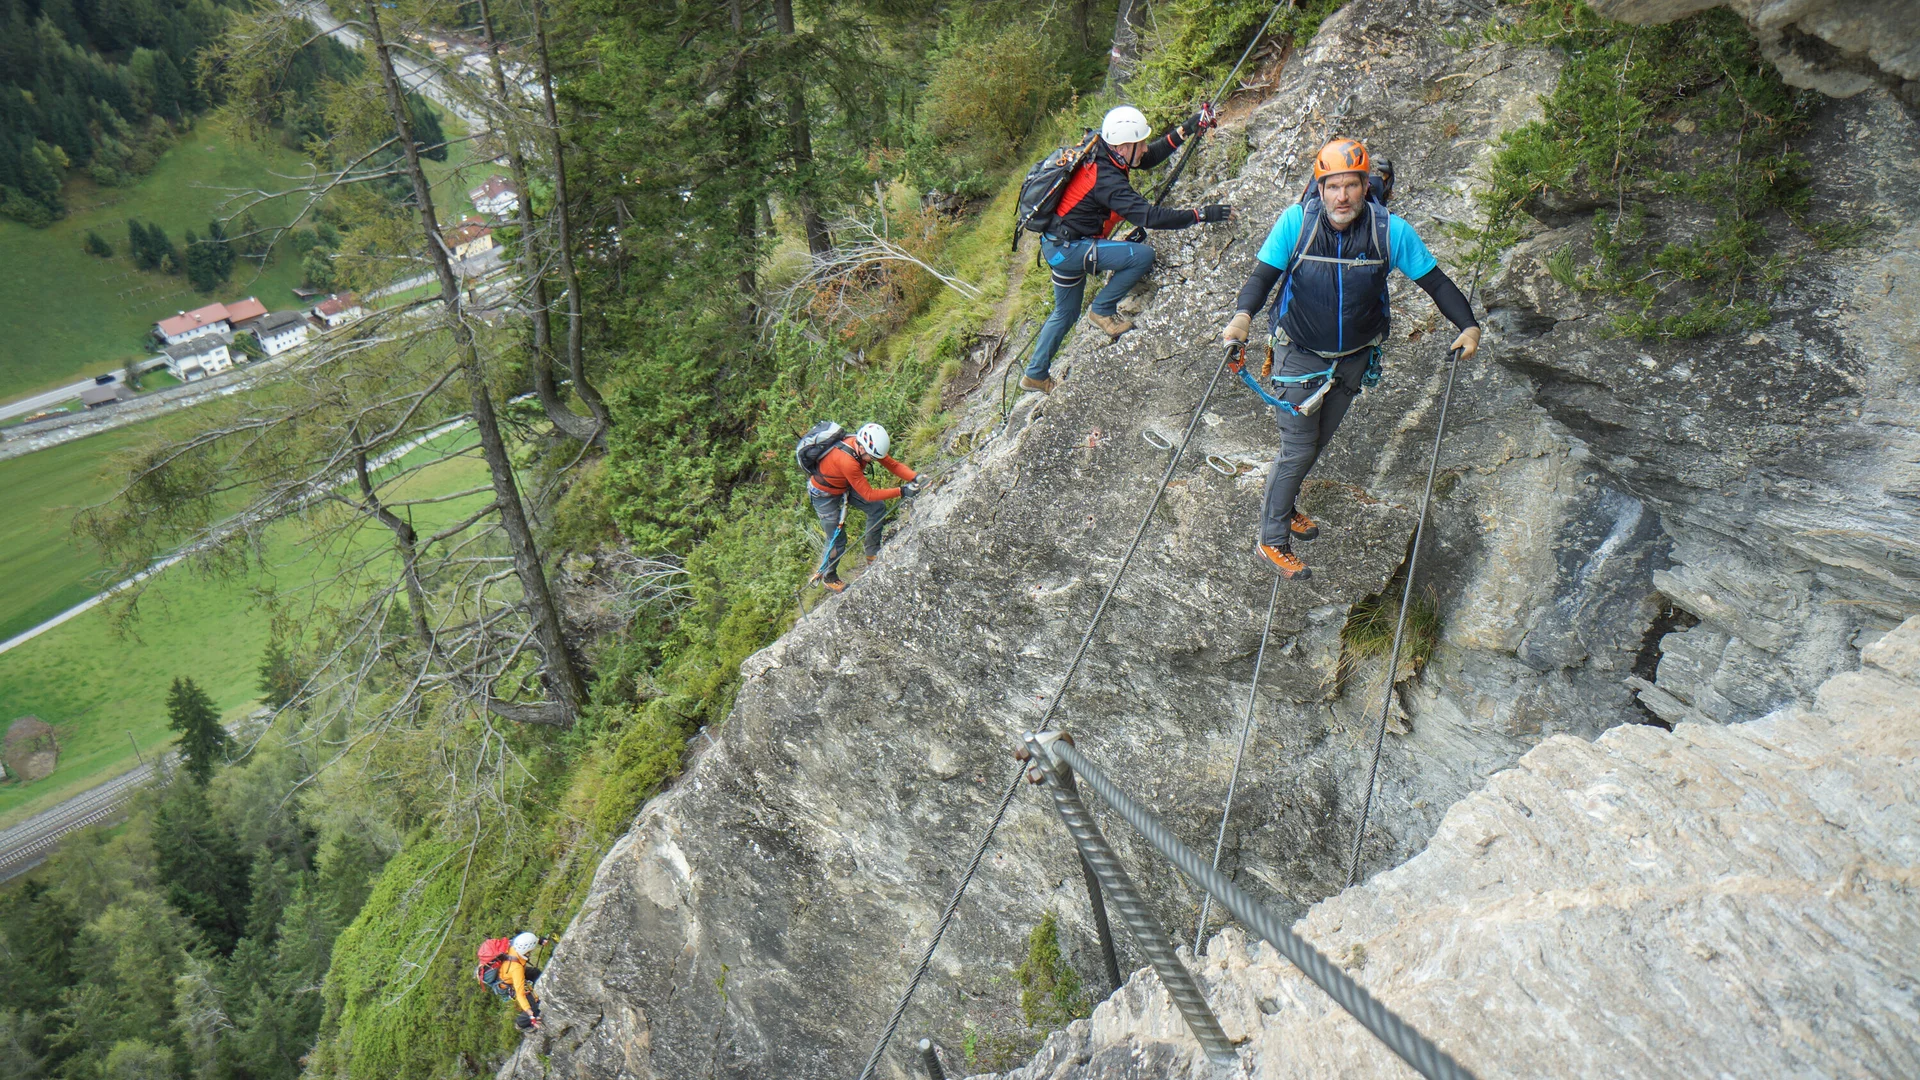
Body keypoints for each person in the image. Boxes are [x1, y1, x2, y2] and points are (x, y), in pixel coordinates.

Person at [1224, 137, 1481, 581]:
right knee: (1299, 446)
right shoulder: (1295, 225)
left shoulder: (1389, 231)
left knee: (1315, 442)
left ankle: (1284, 504)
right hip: (1299, 354)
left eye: (1351, 186)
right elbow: (1261, 278)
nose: (1341, 197)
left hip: (1353, 358)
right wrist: (1242, 317)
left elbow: (1436, 283)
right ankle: (1271, 537)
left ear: (1366, 187)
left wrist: (1468, 324)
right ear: (1319, 188)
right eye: (1332, 186)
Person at [1020, 105, 1234, 395]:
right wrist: (1201, 215)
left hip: (1058, 245)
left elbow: (1147, 159)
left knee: (1066, 312)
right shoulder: (1106, 180)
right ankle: (1103, 310)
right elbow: (1151, 217)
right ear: (1122, 146)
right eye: (1140, 143)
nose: (1145, 147)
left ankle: (1035, 375)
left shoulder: (1101, 147)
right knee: (1142, 256)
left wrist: (1188, 127)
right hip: (1071, 248)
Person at [809, 422, 922, 592]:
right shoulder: (848, 461)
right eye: (873, 458)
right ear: (862, 450)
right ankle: (829, 577)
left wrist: (916, 477)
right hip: (823, 494)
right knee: (837, 538)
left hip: (843, 484)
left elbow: (893, 465)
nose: (874, 461)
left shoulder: (866, 446)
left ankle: (872, 553)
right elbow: (868, 494)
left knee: (876, 508)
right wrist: (902, 491)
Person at [478, 931, 553, 1032]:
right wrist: (529, 1012)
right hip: (508, 982)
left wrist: (539, 940)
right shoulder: (516, 968)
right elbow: (520, 993)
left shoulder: (513, 945)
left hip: (507, 973)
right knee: (534, 1007)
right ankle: (521, 1023)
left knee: (535, 973)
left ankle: (539, 992)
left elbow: (522, 939)